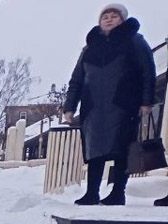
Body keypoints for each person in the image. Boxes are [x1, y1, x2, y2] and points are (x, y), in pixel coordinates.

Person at [61, 4, 156, 206]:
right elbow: (77, 79)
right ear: (99, 21)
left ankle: (117, 193)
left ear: (122, 20)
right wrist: (69, 106)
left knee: (123, 149)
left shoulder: (135, 41)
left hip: (124, 104)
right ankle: (92, 193)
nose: (109, 19)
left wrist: (146, 101)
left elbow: (148, 71)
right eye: (105, 16)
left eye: (115, 16)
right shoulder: (90, 48)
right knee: (94, 150)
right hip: (93, 107)